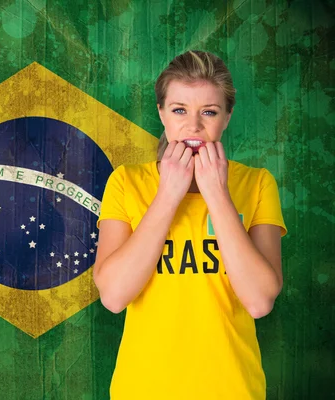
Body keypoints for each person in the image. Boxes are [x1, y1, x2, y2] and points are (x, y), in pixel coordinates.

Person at [93, 50, 287, 400]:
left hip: (233, 390)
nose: (193, 126)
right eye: (179, 110)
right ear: (162, 114)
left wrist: (217, 193)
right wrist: (168, 194)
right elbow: (113, 296)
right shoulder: (126, 182)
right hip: (143, 389)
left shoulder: (258, 184)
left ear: (227, 118)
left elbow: (259, 302)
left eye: (208, 112)